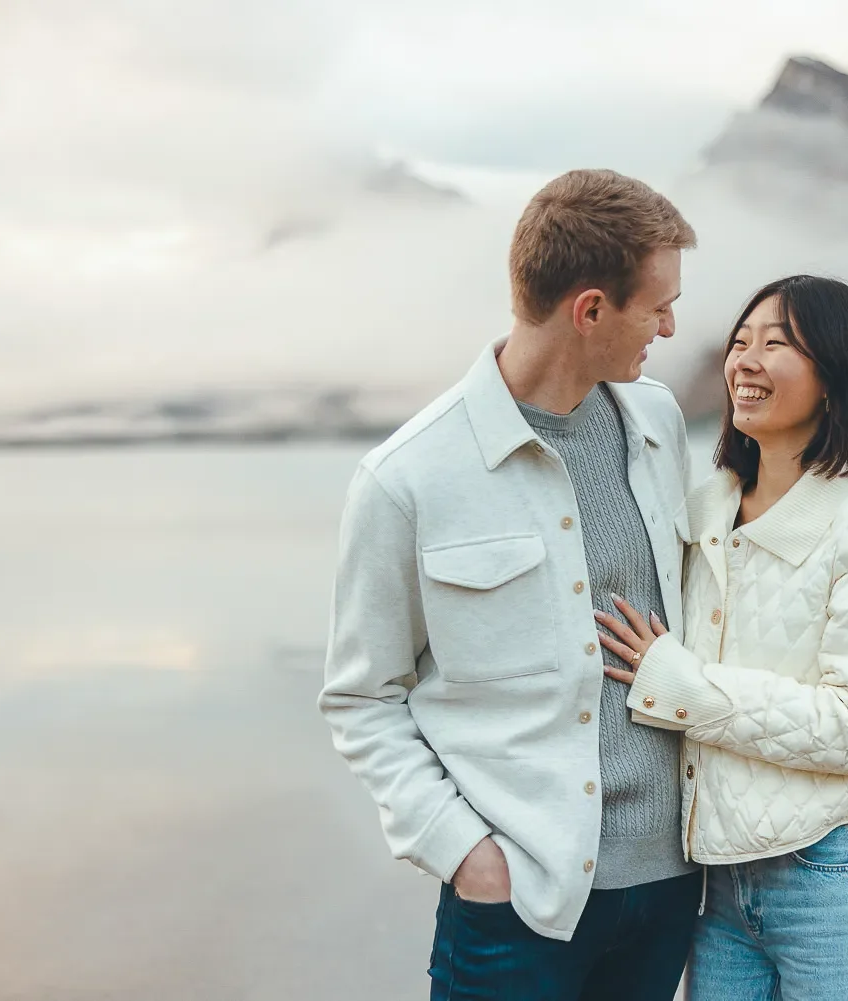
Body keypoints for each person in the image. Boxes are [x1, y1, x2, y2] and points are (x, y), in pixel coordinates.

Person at [319, 169, 703, 1001]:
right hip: (517, 904)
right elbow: (363, 697)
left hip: (670, 889)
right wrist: (464, 851)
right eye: (658, 305)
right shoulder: (406, 477)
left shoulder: (659, 423)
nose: (672, 325)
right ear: (590, 309)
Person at [596, 275, 848, 1001]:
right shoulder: (704, 511)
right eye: (740, 342)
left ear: (833, 377)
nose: (745, 361)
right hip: (718, 880)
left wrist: (683, 687)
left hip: (828, 868)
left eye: (776, 344)